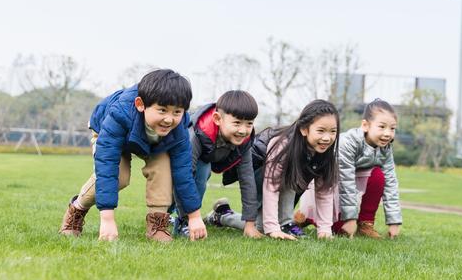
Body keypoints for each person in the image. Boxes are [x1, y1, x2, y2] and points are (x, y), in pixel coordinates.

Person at [58, 69, 206, 242]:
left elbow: (183, 173)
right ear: (140, 104)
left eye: (177, 112)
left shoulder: (178, 129)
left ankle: (157, 224)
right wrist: (107, 219)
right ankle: (77, 208)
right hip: (111, 133)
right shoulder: (119, 114)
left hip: (155, 141)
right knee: (119, 176)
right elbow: (107, 164)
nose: (169, 119)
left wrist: (194, 216)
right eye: (162, 110)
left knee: (163, 168)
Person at [207, 100, 339, 240]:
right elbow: (272, 187)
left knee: (263, 225)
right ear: (304, 129)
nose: (327, 138)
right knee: (262, 227)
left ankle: (284, 223)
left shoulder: (326, 153)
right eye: (321, 131)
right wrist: (272, 228)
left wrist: (325, 230)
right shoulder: (283, 145)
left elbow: (324, 192)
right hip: (257, 176)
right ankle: (222, 215)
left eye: (333, 131)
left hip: (287, 186)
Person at [296, 98, 402, 239]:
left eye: (392, 128)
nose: (388, 133)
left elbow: (391, 183)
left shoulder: (385, 148)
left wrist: (394, 221)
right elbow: (347, 181)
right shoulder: (348, 143)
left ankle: (366, 224)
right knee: (339, 230)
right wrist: (350, 219)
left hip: (354, 181)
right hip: (332, 181)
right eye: (382, 127)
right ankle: (306, 217)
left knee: (378, 176)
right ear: (365, 125)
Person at [171, 90, 263, 239]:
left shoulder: (244, 141)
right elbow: (184, 176)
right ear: (217, 119)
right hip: (177, 158)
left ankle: (182, 216)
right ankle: (182, 221)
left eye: (249, 124)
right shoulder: (195, 134)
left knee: (202, 170)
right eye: (237, 123)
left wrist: (250, 223)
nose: (243, 130)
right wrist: (193, 217)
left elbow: (247, 180)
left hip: (205, 159)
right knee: (199, 173)